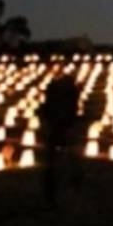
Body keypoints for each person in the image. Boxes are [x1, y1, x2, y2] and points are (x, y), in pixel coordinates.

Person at [38, 64, 83, 204]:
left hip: (56, 128)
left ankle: (55, 186)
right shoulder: (69, 93)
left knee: (54, 159)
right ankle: (69, 181)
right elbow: (72, 110)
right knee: (65, 157)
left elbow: (45, 109)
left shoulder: (55, 91)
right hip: (61, 127)